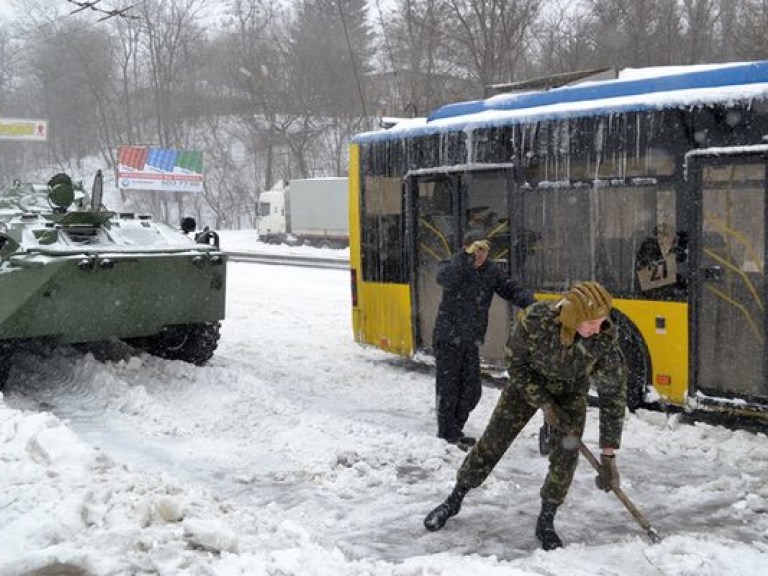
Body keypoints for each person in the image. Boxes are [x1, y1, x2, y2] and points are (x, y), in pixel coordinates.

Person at [424, 281, 627, 551]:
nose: (597, 328)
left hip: (569, 393)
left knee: (566, 457)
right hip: (526, 386)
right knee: (492, 442)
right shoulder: (536, 320)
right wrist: (543, 403)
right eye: (592, 322)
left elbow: (614, 394)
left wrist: (609, 454)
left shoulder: (604, 340)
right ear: (574, 315)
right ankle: (455, 498)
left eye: (602, 321)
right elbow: (516, 365)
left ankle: (546, 520)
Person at [432, 230, 535, 451]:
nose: (482, 254)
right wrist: (465, 259)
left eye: (485, 249)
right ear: (467, 248)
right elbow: (444, 277)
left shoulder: (490, 271)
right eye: (477, 249)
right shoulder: (453, 266)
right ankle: (447, 435)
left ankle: (455, 430)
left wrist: (530, 303)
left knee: (471, 391)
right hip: (448, 337)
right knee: (449, 389)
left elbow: (509, 288)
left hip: (469, 340)